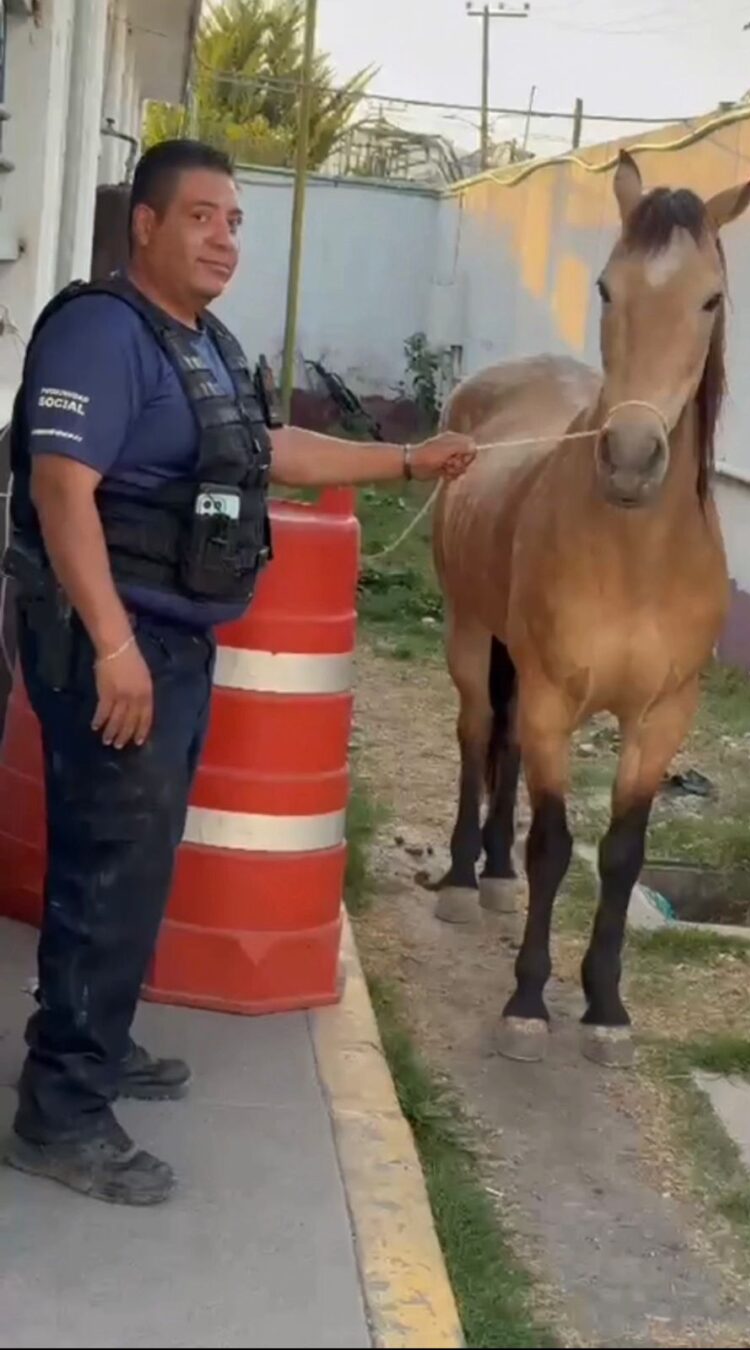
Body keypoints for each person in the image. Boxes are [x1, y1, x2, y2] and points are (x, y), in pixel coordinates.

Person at [2, 139, 475, 1206]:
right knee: (107, 872)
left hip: (170, 644)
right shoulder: (99, 333)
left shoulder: (199, 342)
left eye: (236, 220)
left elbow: (269, 451)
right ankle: (60, 1114)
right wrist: (117, 648)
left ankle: (93, 1044)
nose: (225, 239)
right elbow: (61, 493)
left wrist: (410, 460)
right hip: (108, 645)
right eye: (203, 217)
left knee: (135, 863)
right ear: (148, 229)